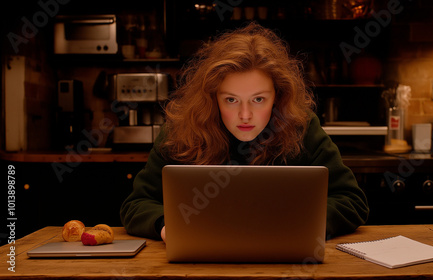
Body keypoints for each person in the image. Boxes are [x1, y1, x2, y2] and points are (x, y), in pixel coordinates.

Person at [120, 22, 369, 241]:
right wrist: (166, 227)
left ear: (278, 97)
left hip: (283, 260)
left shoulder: (302, 127)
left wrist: (300, 223)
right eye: (231, 100)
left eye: (258, 99)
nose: (245, 115)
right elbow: (136, 205)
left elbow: (352, 202)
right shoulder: (181, 131)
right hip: (199, 263)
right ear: (212, 98)